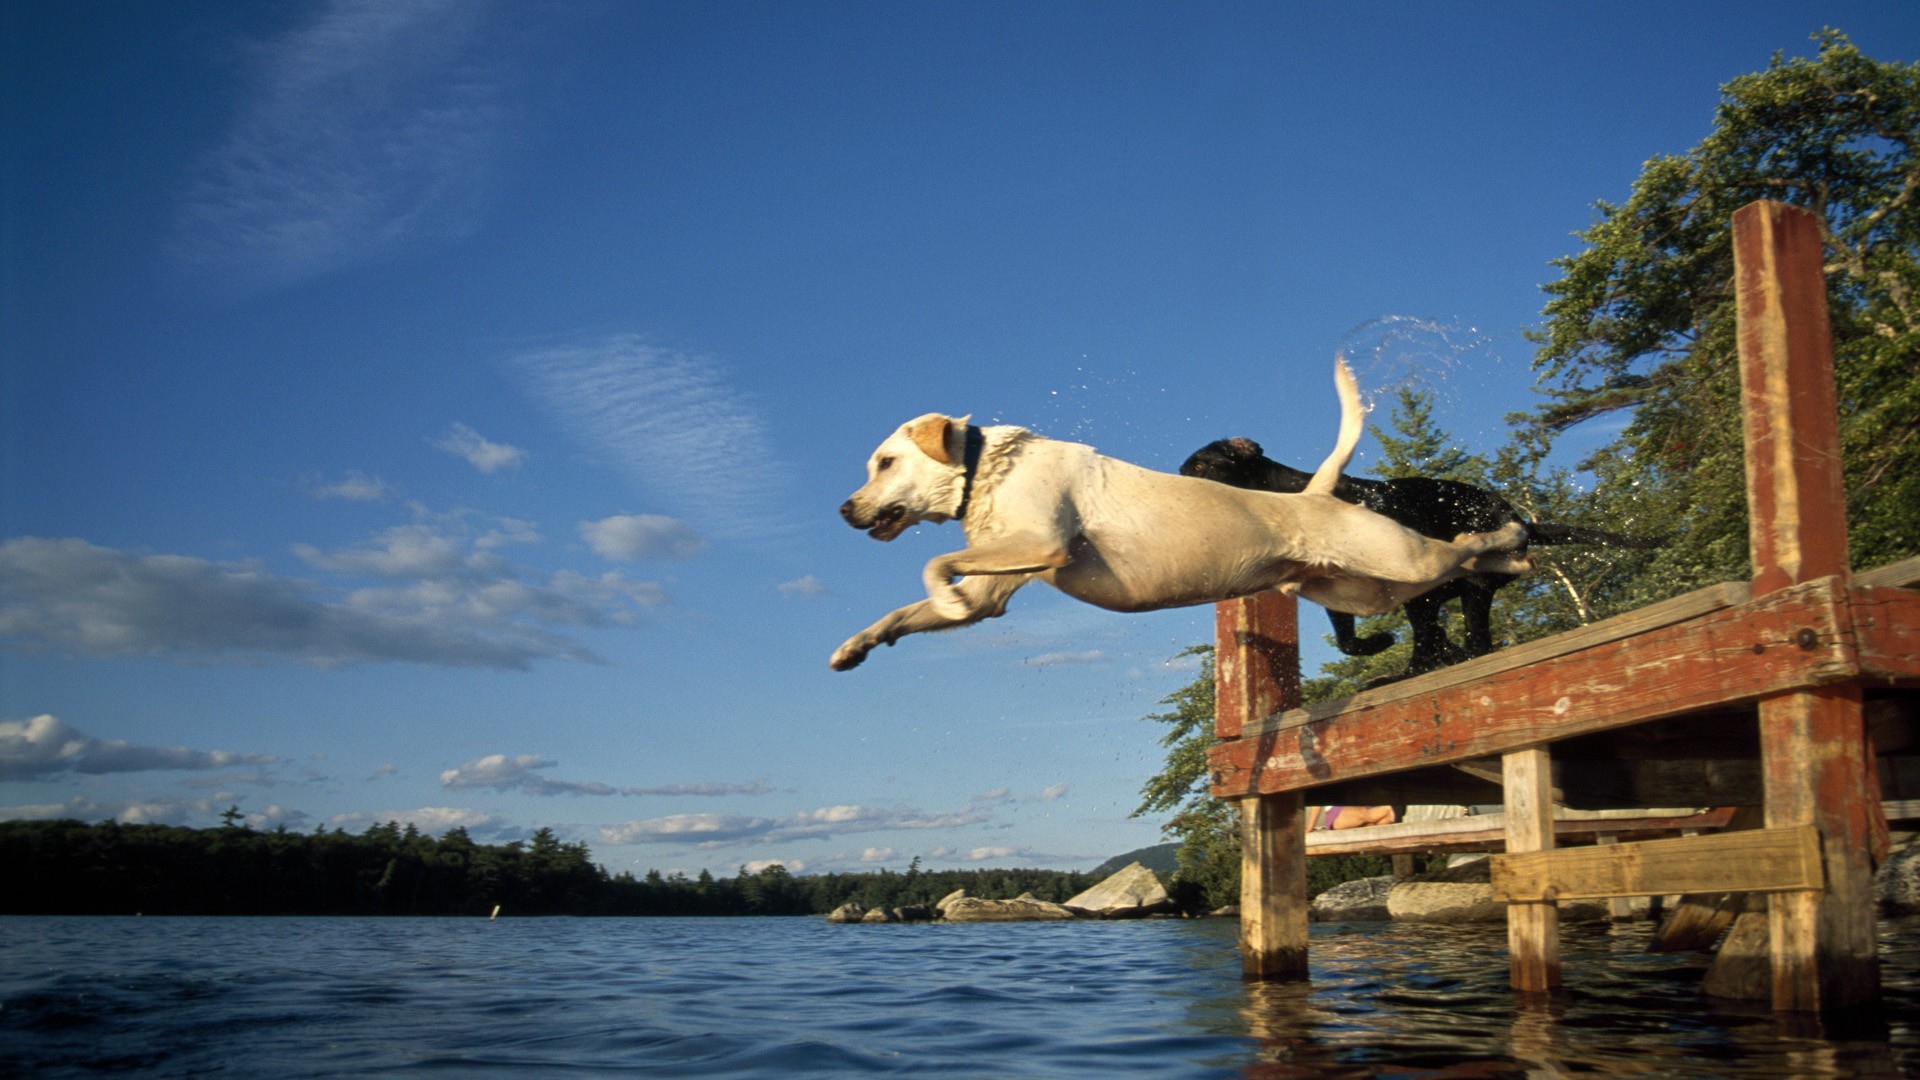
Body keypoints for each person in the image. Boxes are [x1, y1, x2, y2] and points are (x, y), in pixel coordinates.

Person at [1309, 805, 1397, 831]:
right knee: (1387, 809)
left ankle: (1370, 827)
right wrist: (1310, 827)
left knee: (1389, 816)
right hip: (1338, 812)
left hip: (1364, 809)